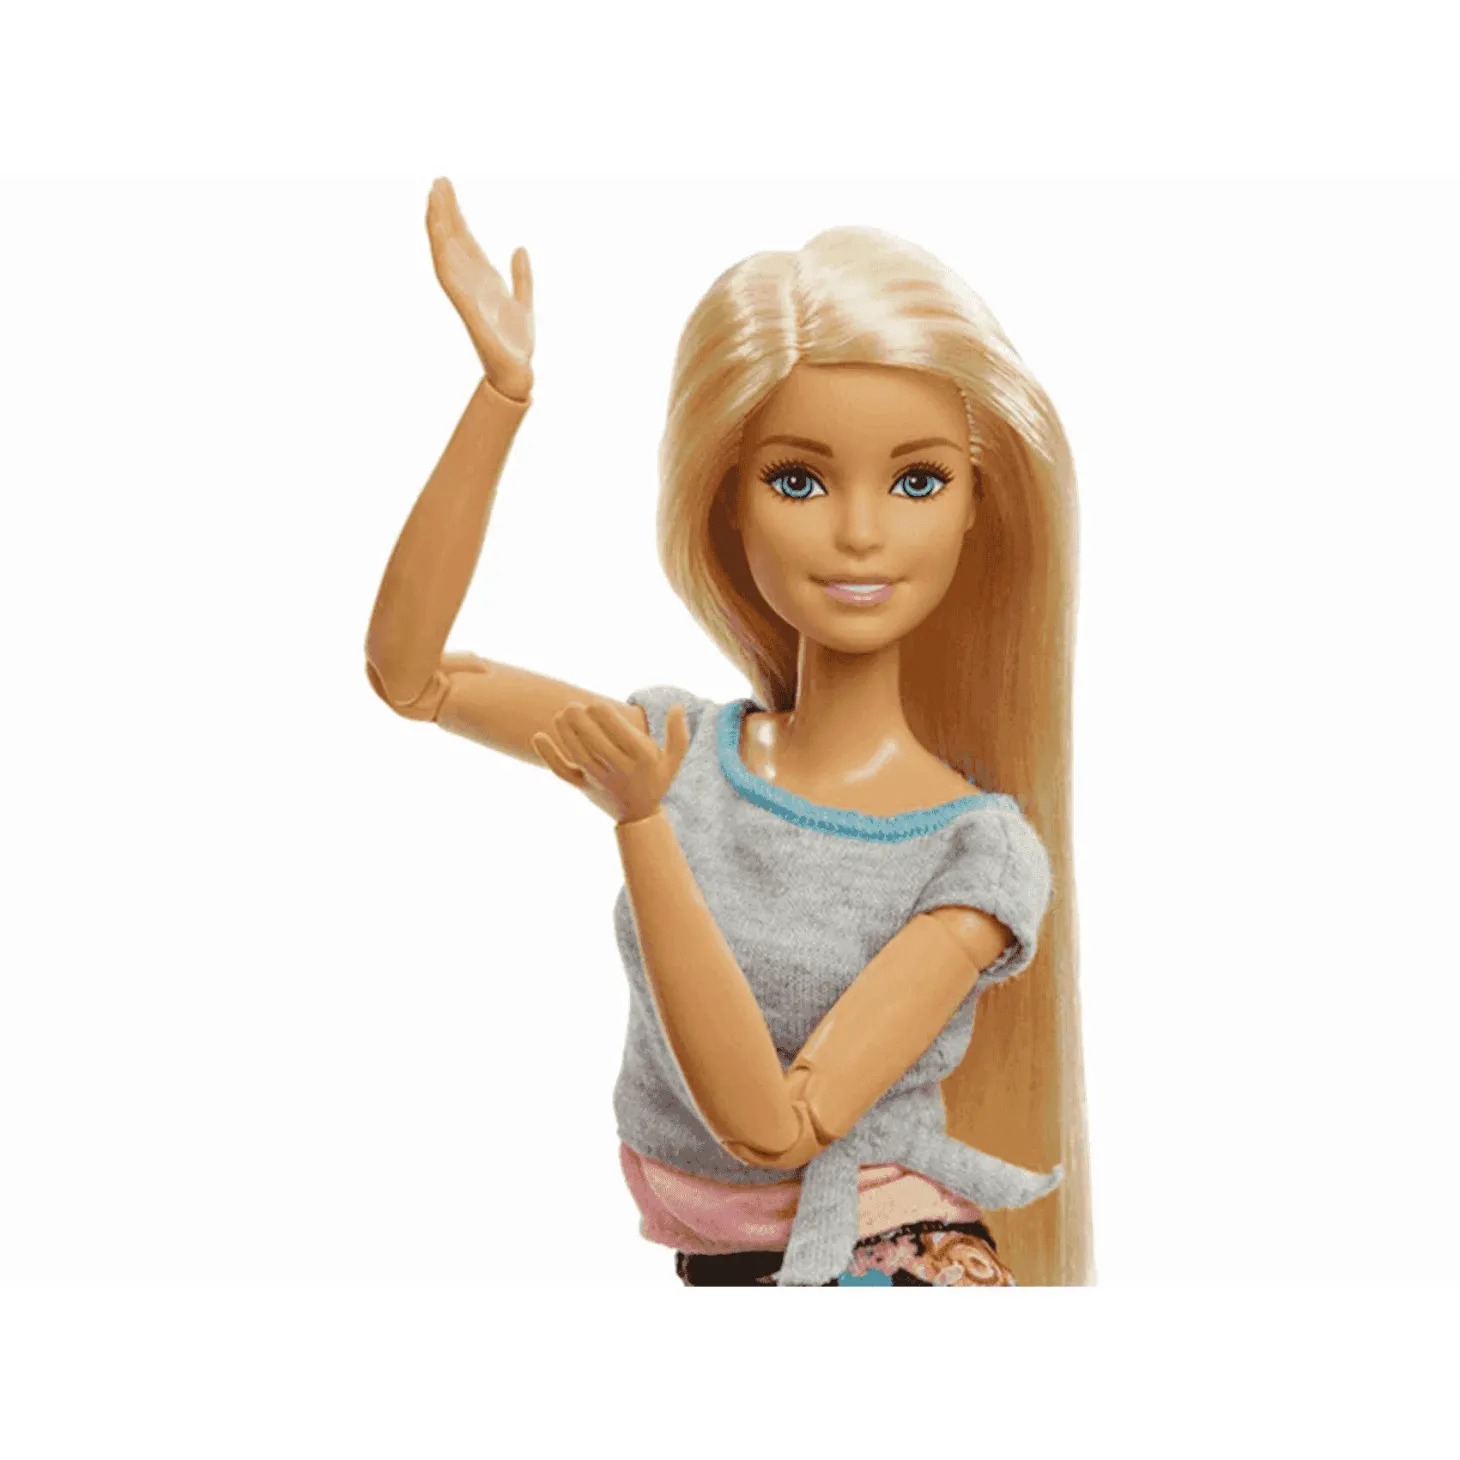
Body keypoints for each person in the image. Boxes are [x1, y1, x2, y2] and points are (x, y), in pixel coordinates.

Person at [366, 177, 1092, 1286]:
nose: (859, 532)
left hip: (882, 1268)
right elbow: (412, 676)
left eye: (916, 481)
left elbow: (775, 1125)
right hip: (732, 1273)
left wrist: (643, 827)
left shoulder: (971, 854)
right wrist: (500, 396)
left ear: (974, 507)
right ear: (729, 500)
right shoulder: (677, 748)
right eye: (798, 479)